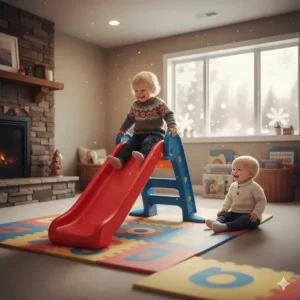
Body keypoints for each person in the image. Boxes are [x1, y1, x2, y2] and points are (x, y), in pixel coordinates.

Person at [106, 71, 177, 170]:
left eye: (143, 90)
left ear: (152, 89)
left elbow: (168, 114)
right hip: (138, 134)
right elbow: (129, 119)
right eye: (136, 91)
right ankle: (120, 161)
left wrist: (172, 126)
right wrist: (123, 129)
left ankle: (143, 156)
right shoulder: (135, 105)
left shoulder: (158, 103)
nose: (139, 94)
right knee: (129, 145)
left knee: (147, 142)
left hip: (155, 135)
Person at [205, 155, 267, 233]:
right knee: (225, 215)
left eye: (238, 169)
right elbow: (229, 198)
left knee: (243, 220)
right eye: (233, 169)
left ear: (250, 175)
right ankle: (217, 222)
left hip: (250, 216)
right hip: (234, 212)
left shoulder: (254, 187)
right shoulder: (233, 185)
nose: (234, 171)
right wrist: (225, 208)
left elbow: (261, 200)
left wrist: (256, 213)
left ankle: (225, 227)